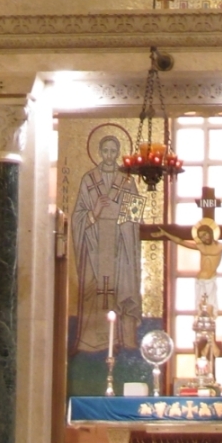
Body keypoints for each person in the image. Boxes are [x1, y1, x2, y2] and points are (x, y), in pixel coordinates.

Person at [71, 135, 142, 354]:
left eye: (114, 151)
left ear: (118, 152)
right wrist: (95, 212)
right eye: (106, 150)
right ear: (100, 152)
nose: (110, 155)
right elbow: (77, 217)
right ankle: (90, 339)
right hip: (93, 246)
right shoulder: (88, 179)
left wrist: (120, 215)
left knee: (120, 287)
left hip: (120, 246)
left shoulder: (128, 180)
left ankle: (123, 338)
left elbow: (136, 215)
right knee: (95, 290)